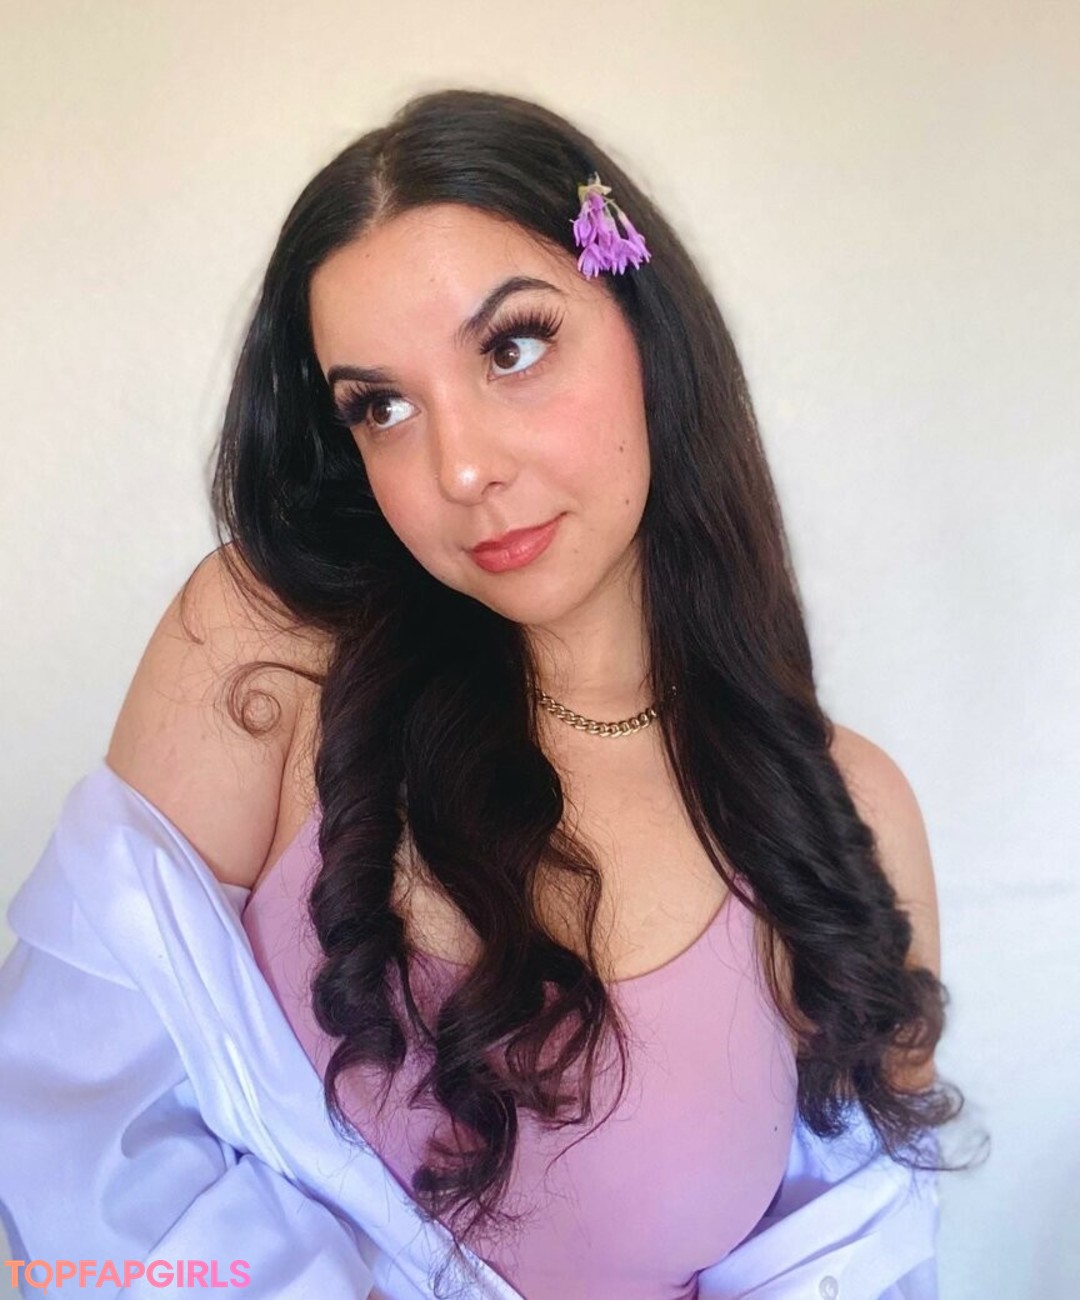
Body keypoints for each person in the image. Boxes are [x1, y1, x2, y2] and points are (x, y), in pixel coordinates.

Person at [0, 88, 969, 1299]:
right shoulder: (266, 656)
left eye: (512, 348)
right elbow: (63, 1135)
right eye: (381, 407)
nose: (459, 468)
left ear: (645, 325)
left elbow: (864, 1259)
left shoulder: (847, 813)